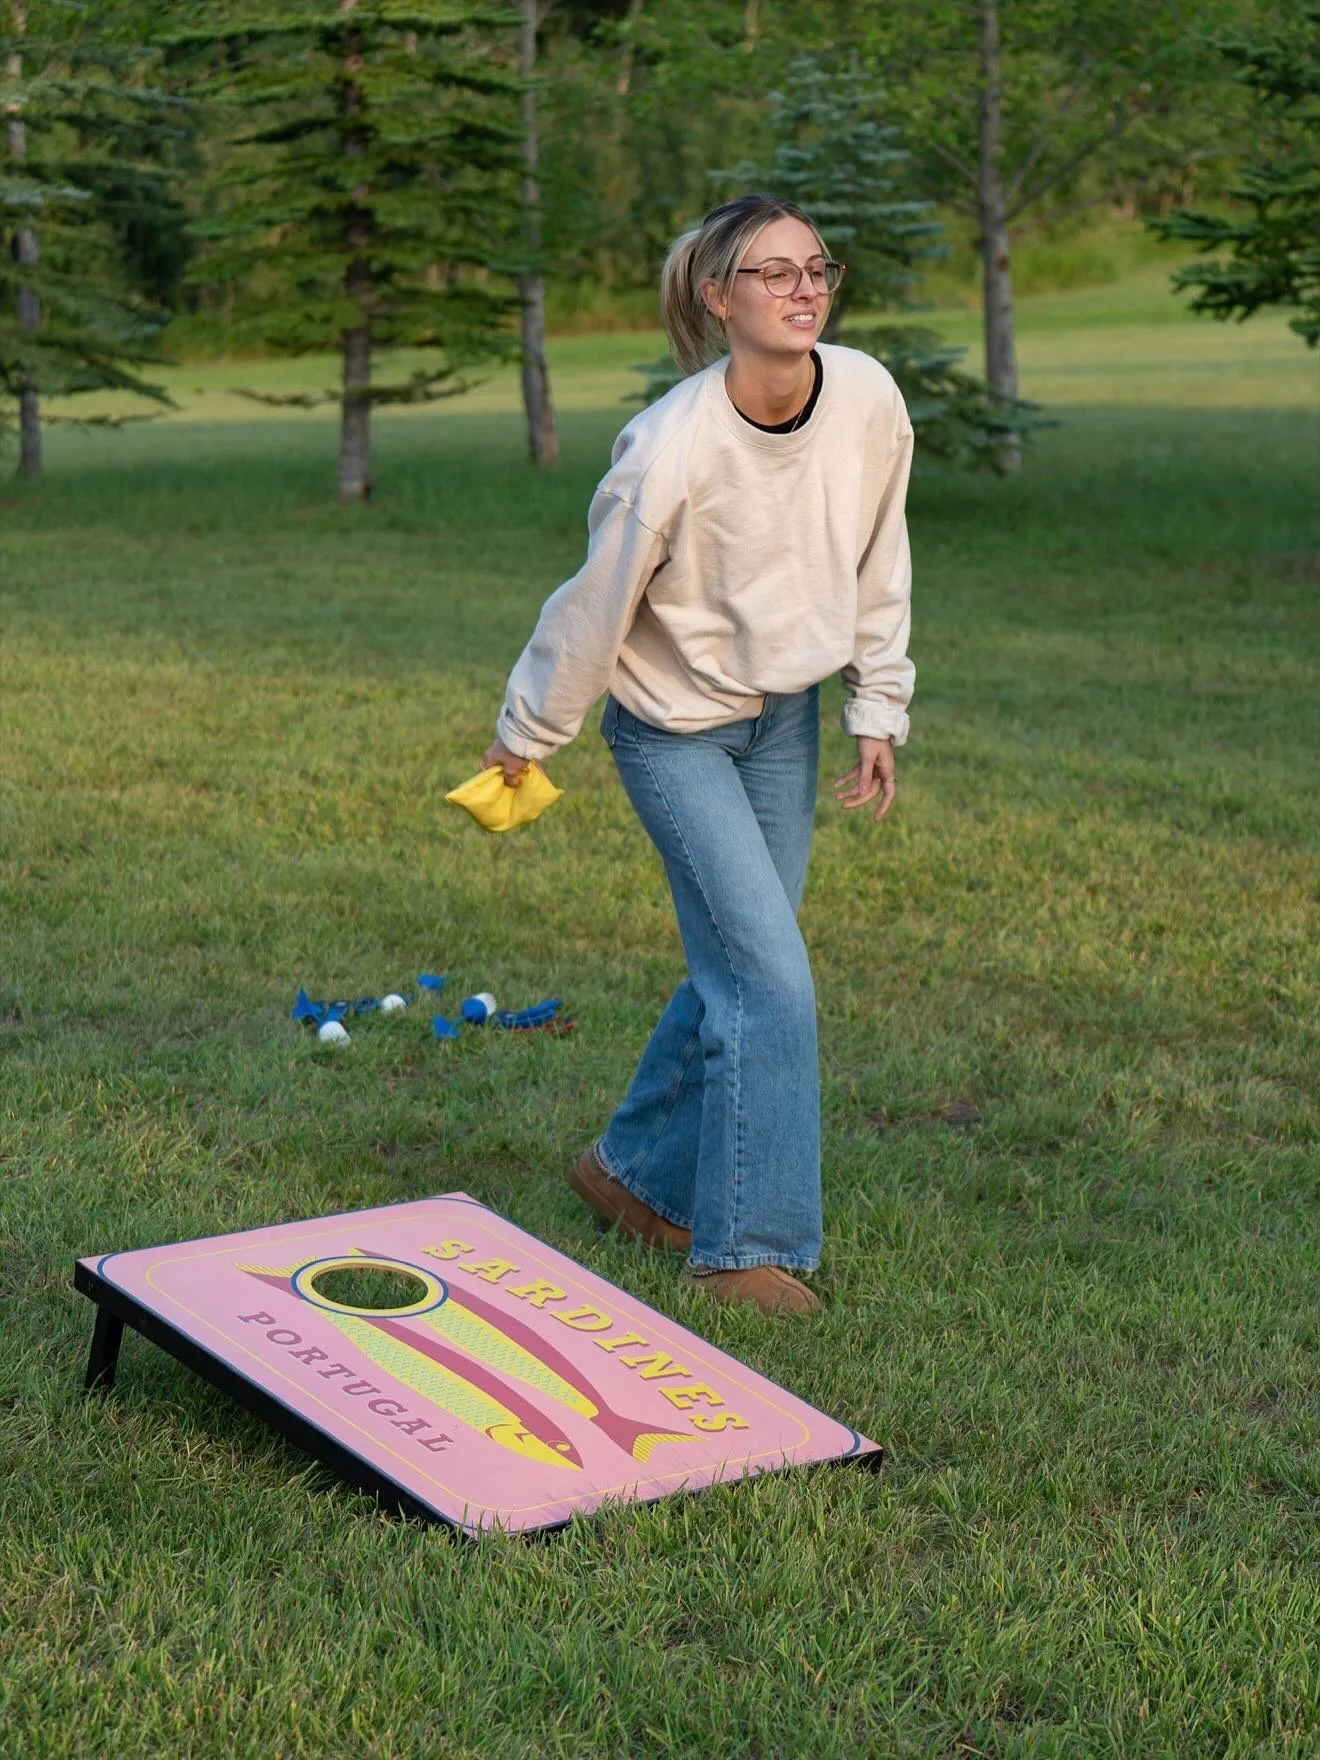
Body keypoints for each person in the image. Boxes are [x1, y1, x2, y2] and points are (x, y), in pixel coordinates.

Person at [484, 194, 915, 1317]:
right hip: (672, 730)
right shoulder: (670, 445)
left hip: (787, 721)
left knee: (743, 963)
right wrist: (530, 731)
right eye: (773, 274)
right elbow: (596, 604)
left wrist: (879, 704)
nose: (805, 288)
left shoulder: (866, 396)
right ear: (718, 297)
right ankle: (741, 1251)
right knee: (770, 975)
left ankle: (624, 1172)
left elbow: (881, 553)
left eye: (816, 267)